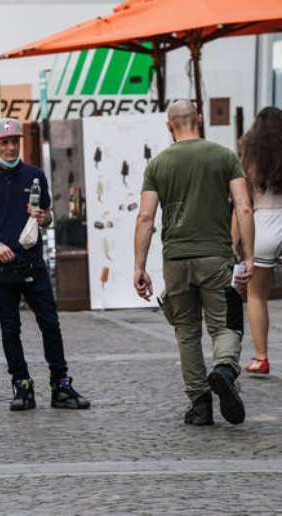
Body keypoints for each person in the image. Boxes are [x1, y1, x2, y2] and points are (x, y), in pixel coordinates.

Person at [134, 99, 254, 426]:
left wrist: (139, 266)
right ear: (199, 119)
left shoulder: (158, 164)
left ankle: (200, 405)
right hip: (216, 257)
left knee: (186, 332)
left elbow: (146, 217)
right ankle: (225, 369)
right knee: (225, 324)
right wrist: (248, 256)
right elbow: (243, 207)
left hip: (175, 259)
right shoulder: (224, 157)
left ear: (168, 125)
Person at [0, 118, 90, 412]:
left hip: (33, 263)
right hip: (1, 266)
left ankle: (61, 385)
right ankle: (22, 385)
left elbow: (47, 218)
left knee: (51, 325)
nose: (9, 147)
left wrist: (41, 216)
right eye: (3, 142)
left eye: (14, 142)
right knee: (10, 328)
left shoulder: (35, 176)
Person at [237, 107, 282, 375]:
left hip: (263, 221)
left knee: (256, 296)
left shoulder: (248, 155)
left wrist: (236, 240)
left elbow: (242, 203)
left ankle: (261, 358)